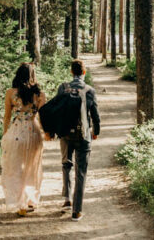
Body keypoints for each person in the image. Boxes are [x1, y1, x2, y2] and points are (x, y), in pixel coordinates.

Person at [1, 62, 46, 216]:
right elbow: (43, 117)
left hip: (17, 132)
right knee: (33, 167)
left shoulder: (10, 93)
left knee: (16, 167)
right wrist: (47, 133)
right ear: (32, 76)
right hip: (33, 132)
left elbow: (7, 117)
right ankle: (30, 199)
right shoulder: (39, 94)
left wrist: (5, 134)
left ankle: (21, 204)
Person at [57, 58, 100, 221]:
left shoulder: (63, 87)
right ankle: (77, 211)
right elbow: (95, 115)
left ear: (71, 72)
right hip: (83, 135)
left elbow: (57, 109)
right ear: (84, 72)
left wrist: (56, 130)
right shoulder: (89, 90)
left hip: (65, 135)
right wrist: (95, 131)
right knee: (80, 172)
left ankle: (67, 199)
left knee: (66, 164)